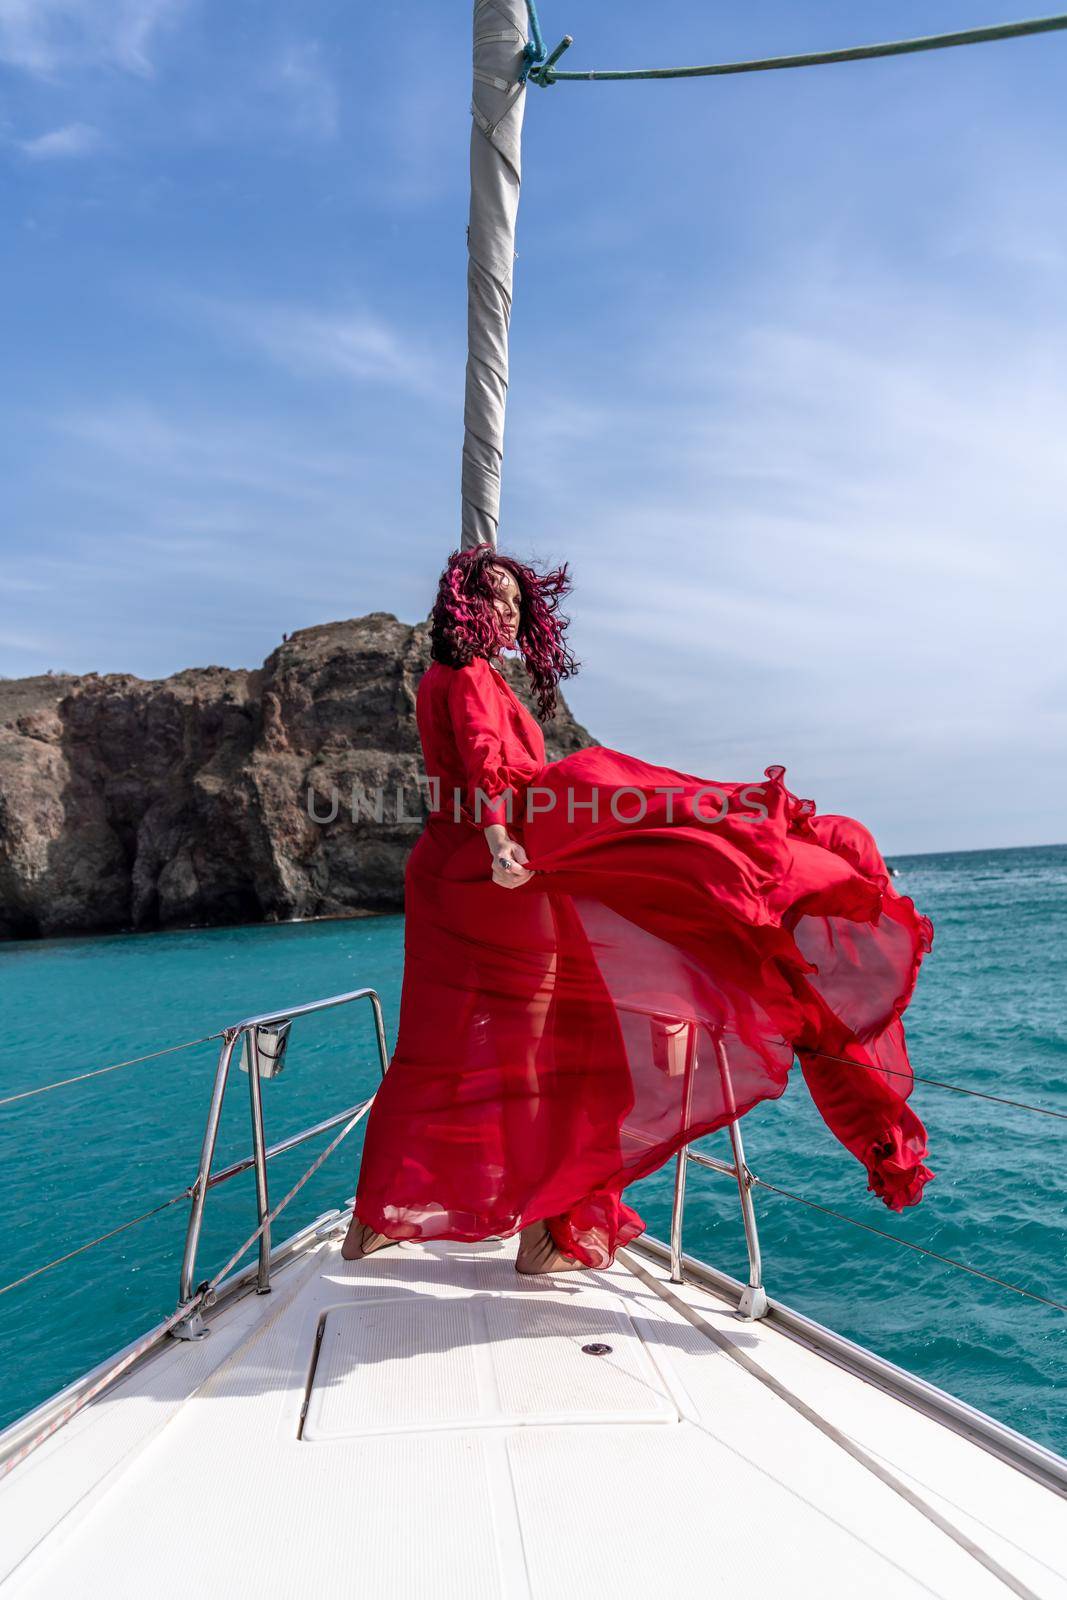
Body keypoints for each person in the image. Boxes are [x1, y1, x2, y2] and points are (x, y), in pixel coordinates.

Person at [342, 544, 934, 1273]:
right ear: (462, 601)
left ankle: (413, 1224)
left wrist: (504, 843)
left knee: (468, 1054)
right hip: (491, 875)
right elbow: (481, 758)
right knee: (523, 1056)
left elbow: (480, 764)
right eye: (494, 598)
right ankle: (521, 1230)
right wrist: (499, 841)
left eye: (516, 605)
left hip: (484, 874)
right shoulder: (463, 677)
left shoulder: (465, 675)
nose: (506, 614)